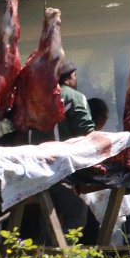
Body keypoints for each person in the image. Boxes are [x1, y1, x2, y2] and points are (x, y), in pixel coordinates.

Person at [29, 60, 96, 237]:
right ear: (68, 79)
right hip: (62, 168)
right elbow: (87, 132)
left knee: (49, 214)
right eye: (74, 76)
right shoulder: (74, 96)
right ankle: (63, 256)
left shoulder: (38, 100)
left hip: (37, 168)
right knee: (77, 212)